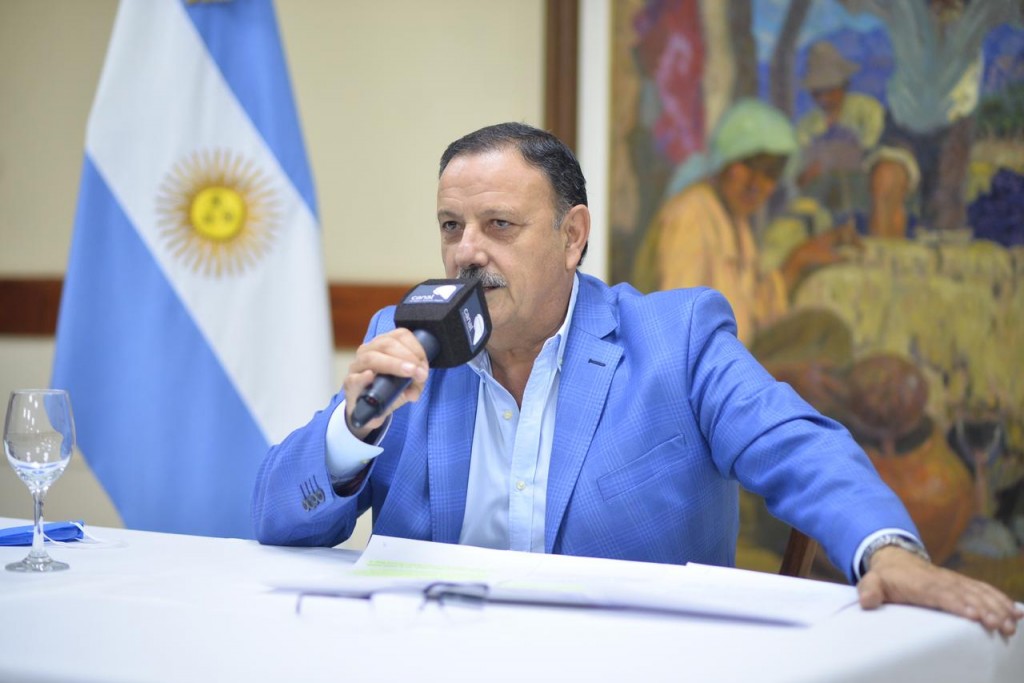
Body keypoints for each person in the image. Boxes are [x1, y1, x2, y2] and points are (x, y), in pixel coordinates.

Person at [251, 122, 1022, 636]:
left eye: (499, 225)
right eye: (452, 226)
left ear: (572, 236)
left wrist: (888, 549)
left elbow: (798, 445)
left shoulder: (674, 340)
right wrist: (352, 428)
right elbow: (279, 517)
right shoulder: (409, 341)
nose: (466, 253)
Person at [632, 99, 854, 347]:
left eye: (769, 174)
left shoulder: (735, 221)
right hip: (697, 364)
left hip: (730, 354)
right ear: (724, 160)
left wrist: (797, 261)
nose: (755, 184)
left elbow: (749, 315)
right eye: (748, 166)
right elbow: (676, 331)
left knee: (826, 330)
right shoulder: (691, 213)